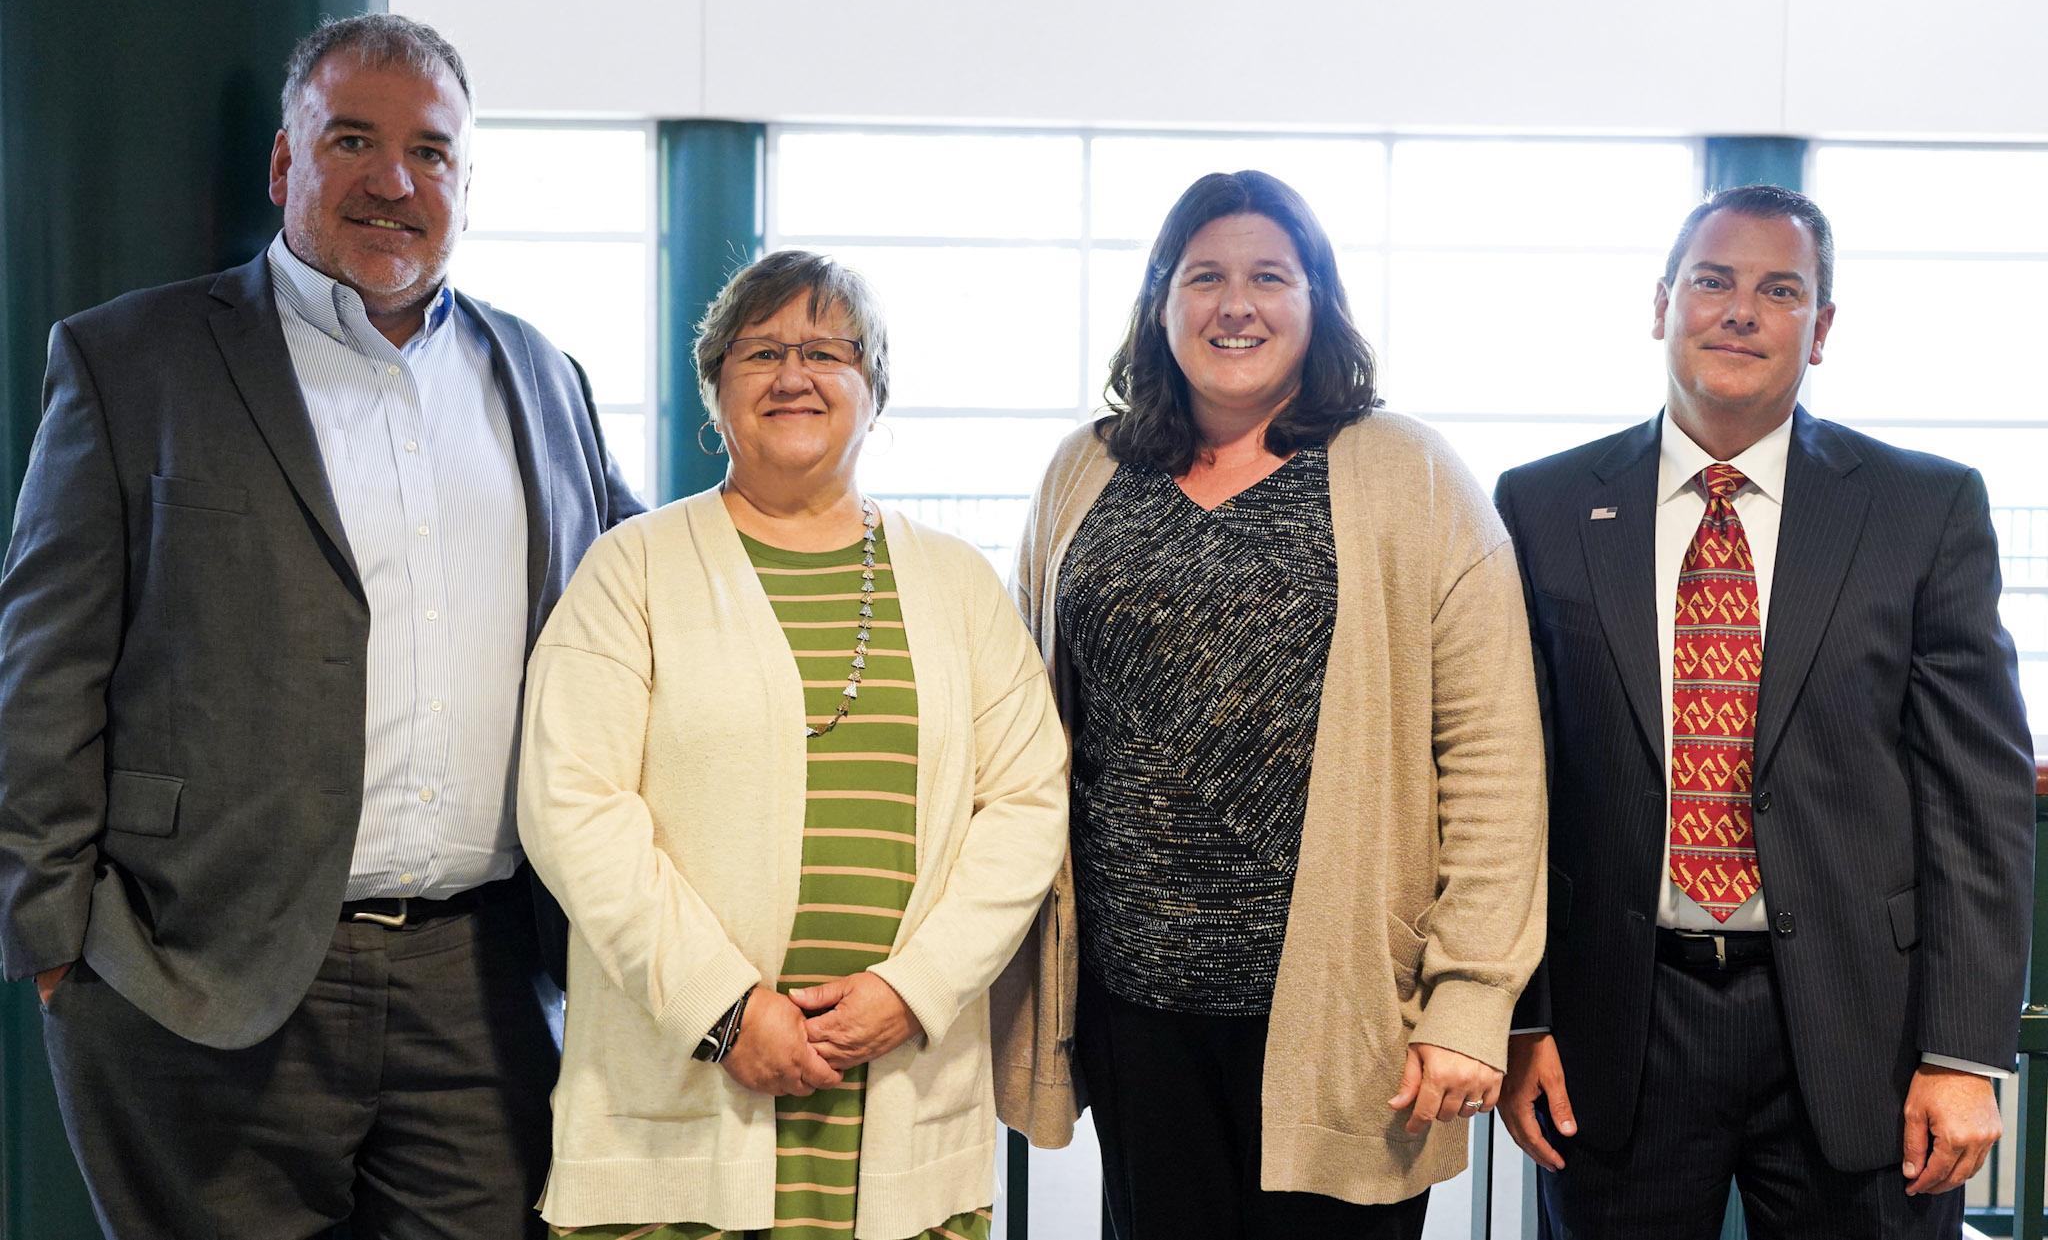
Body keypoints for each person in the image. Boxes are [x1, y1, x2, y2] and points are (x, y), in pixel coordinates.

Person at [0, 13, 641, 1239]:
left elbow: (639, 607)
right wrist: (55, 940)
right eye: (353, 138)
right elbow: (44, 667)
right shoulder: (132, 359)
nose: (395, 179)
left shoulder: (541, 375)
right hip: (193, 971)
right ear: (289, 164)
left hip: (485, 978)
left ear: (466, 180)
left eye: (432, 151)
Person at [990, 170, 1547, 1240]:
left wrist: (1471, 997)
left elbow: (1492, 757)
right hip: (1133, 999)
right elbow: (1023, 718)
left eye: (1267, 276)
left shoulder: (1409, 472)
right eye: (1202, 276)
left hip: (1347, 1010)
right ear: (1160, 304)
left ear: (1316, 301)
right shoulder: (1083, 470)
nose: (1232, 303)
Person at [1493, 184, 2035, 1239]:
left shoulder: (1922, 509)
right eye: (1712, 279)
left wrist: (1962, 1052)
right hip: (1616, 1026)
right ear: (1660, 304)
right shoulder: (1540, 505)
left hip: (1860, 1033)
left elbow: (1978, 803)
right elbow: (1507, 787)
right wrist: (1521, 1017)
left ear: (1819, 328)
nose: (1738, 310)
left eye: (1777, 289)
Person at [517, 248, 1069, 1240]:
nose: (792, 373)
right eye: (758, 350)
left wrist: (914, 987)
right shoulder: (630, 571)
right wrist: (726, 1008)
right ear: (714, 387)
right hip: (683, 1100)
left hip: (898, 1093)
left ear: (874, 385)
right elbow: (572, 808)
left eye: (827, 349)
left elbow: (1027, 804)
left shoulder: (957, 585)